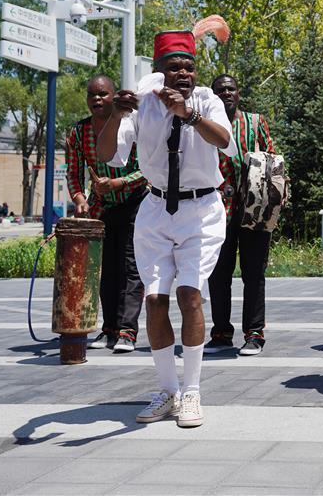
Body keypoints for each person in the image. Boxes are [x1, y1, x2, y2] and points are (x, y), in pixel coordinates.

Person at [97, 28, 236, 428]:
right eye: (174, 67)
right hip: (156, 210)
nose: (183, 74)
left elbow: (225, 141)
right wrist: (116, 114)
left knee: (190, 295)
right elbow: (110, 157)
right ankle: (168, 390)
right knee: (156, 300)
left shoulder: (208, 100)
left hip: (202, 210)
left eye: (189, 67)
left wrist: (188, 114)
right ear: (159, 72)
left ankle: (192, 391)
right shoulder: (142, 105)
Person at [66, 74, 148, 353]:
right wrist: (79, 198)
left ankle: (127, 331)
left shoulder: (131, 126)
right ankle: (109, 328)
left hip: (135, 200)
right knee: (105, 270)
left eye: (103, 94)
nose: (97, 99)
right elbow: (73, 173)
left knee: (130, 267)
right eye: (92, 95)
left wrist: (120, 182)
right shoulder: (79, 132)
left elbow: (148, 167)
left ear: (114, 97)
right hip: (102, 206)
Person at [204, 75, 276, 356]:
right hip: (216, 209)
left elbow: (271, 160)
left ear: (239, 93)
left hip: (253, 208)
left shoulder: (255, 122)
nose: (225, 94)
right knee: (218, 272)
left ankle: (254, 333)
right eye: (219, 90)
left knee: (254, 272)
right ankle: (221, 333)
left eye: (230, 89)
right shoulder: (205, 124)